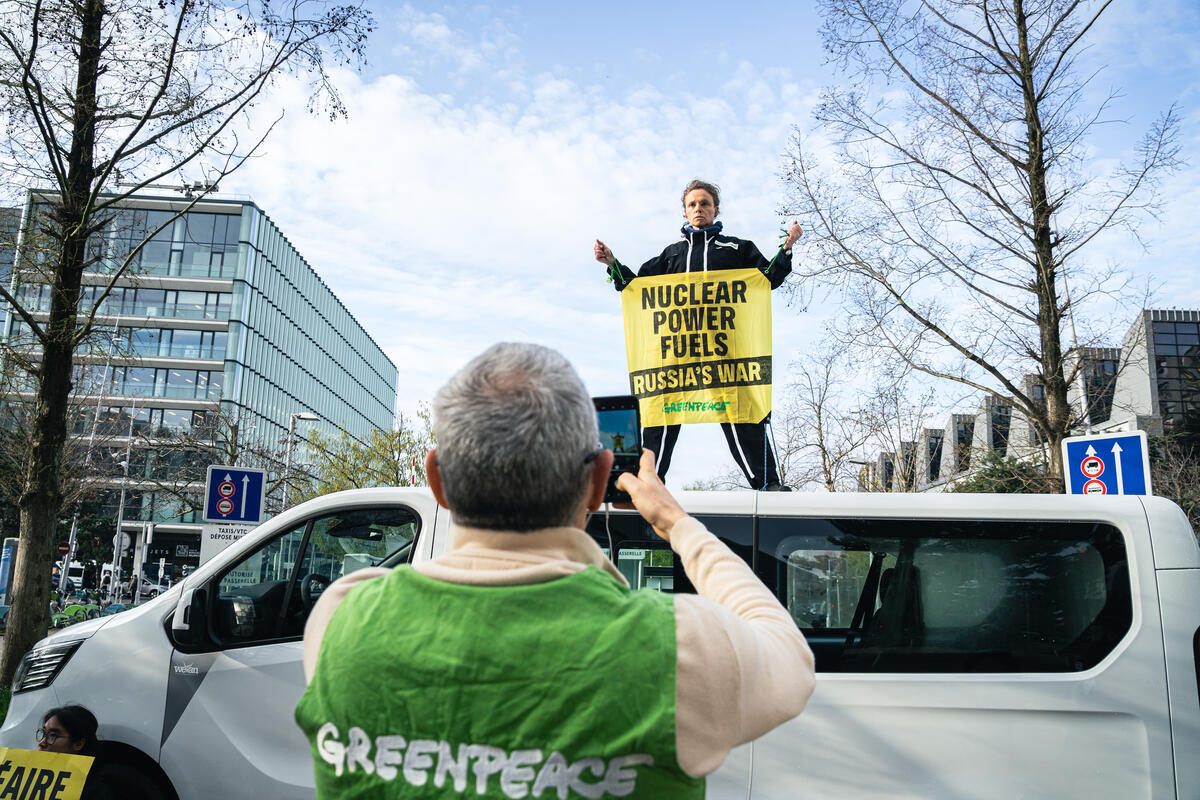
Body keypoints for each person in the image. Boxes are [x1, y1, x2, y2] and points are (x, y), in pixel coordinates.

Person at [295, 342, 814, 798]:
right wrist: (678, 524)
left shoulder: (341, 615)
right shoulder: (679, 647)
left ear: (437, 479)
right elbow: (789, 655)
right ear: (598, 481)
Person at [595, 179, 802, 490]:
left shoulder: (737, 248)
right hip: (676, 357)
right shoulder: (671, 256)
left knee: (742, 412)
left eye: (704, 203)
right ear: (684, 212)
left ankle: (768, 484)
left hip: (726, 356)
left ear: (715, 209)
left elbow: (767, 279)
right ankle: (649, 483)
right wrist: (612, 262)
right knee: (660, 414)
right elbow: (636, 289)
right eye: (692, 204)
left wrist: (786, 249)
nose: (698, 209)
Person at [37, 705, 158, 799]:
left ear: (78, 743)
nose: (42, 742)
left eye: (52, 735)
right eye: (43, 734)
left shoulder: (95, 790)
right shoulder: (29, 781)